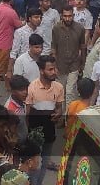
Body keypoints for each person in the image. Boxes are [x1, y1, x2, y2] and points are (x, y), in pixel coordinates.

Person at [24, 54, 63, 185]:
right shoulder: (32, 88)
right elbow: (27, 114)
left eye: (54, 69)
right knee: (35, 163)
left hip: (50, 132)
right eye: (50, 69)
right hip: (34, 133)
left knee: (45, 161)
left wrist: (58, 113)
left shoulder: (59, 87)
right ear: (41, 71)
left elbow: (59, 108)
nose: (54, 72)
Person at [49, 5, 85, 103]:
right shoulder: (56, 28)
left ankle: (69, 116)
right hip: (60, 65)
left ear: (73, 15)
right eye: (65, 16)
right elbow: (53, 47)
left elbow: (82, 46)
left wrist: (82, 63)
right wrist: (54, 66)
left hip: (74, 64)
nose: (67, 18)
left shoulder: (80, 28)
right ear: (61, 16)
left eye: (70, 16)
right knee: (61, 92)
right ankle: (61, 115)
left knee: (70, 92)